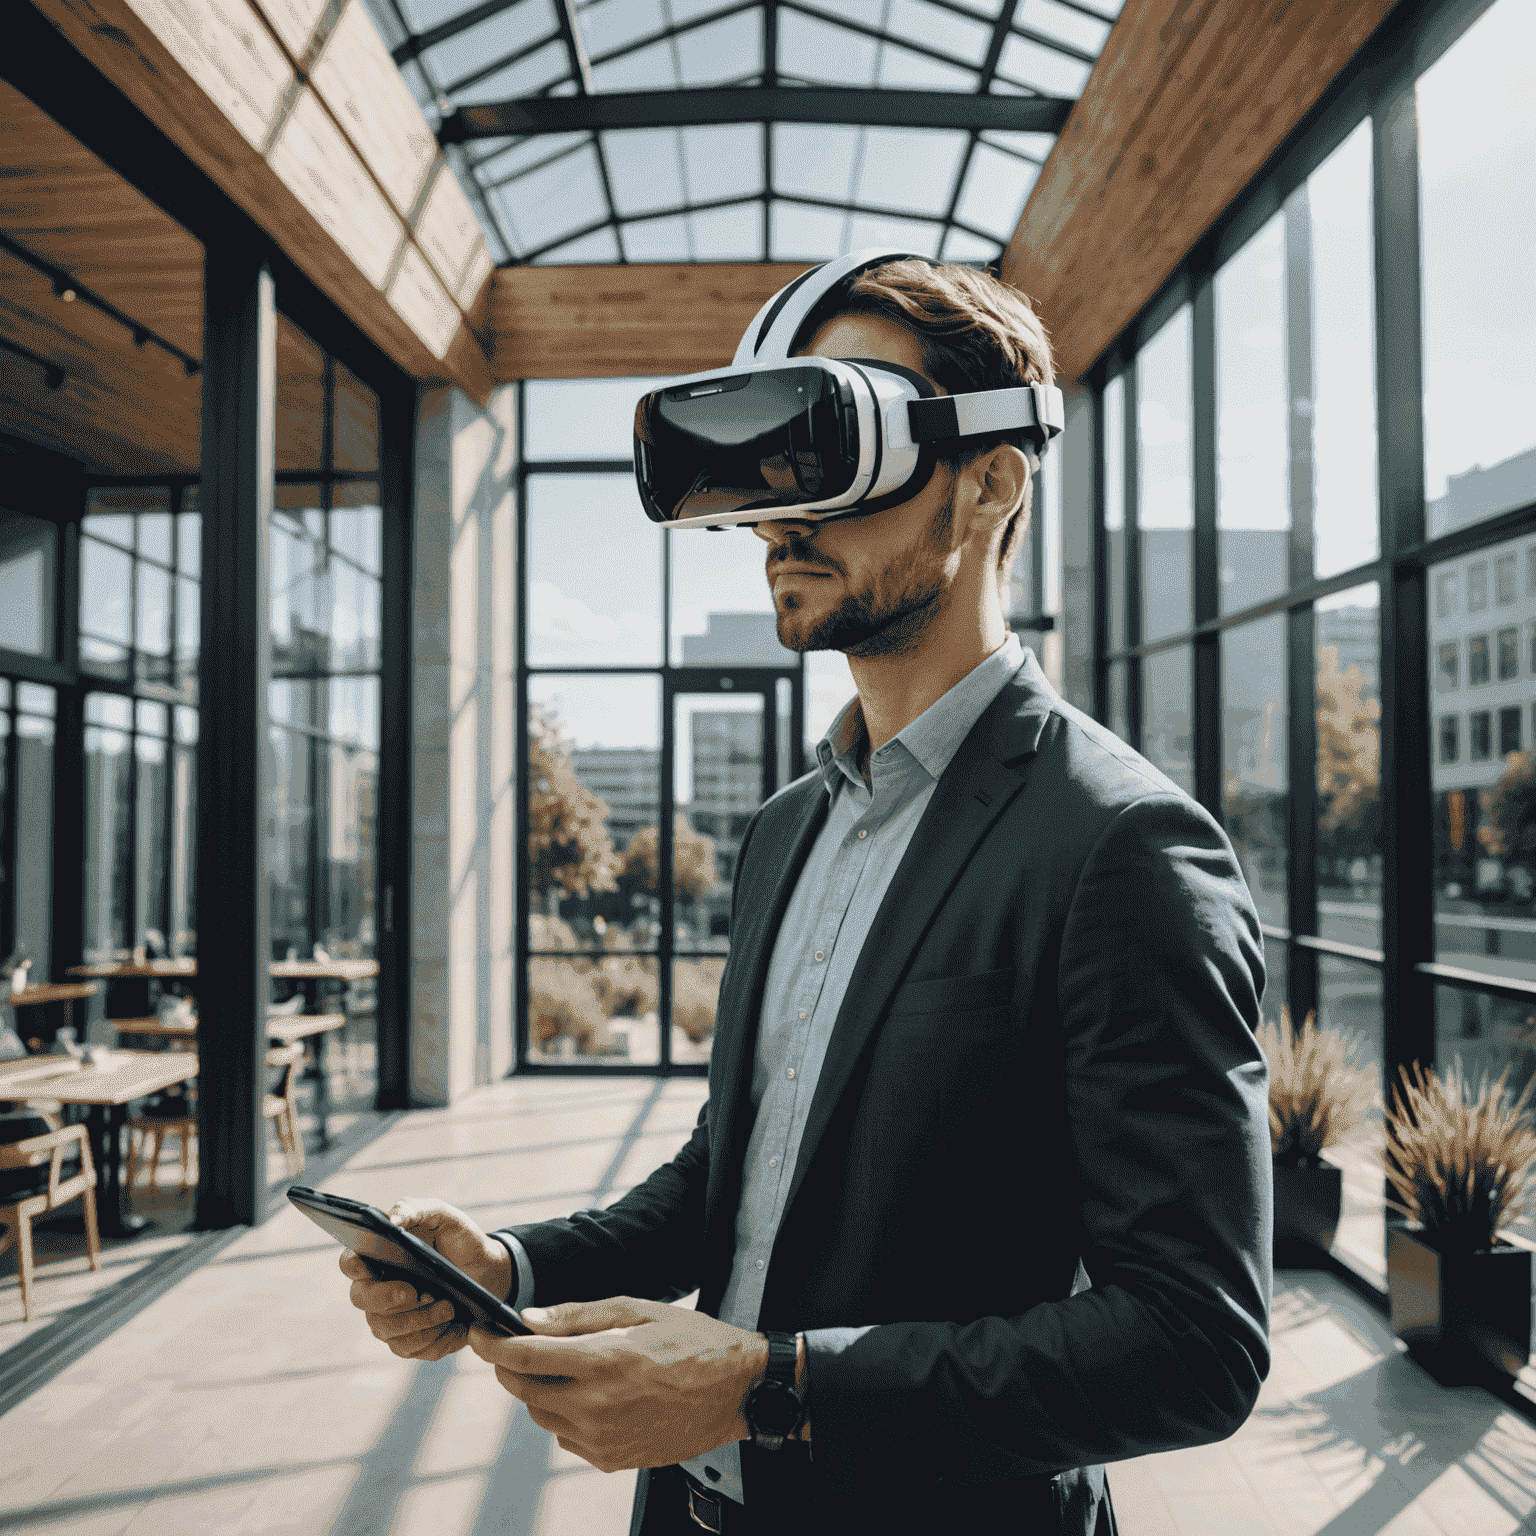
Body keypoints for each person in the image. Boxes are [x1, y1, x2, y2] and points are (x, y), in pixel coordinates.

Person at [341, 255, 1271, 1536]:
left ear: (992, 478)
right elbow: (736, 1171)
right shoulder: (787, 831)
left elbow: (1192, 1344)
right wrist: (511, 1263)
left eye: (838, 453)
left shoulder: (1122, 849)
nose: (780, 518)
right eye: (769, 471)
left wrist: (770, 1389)